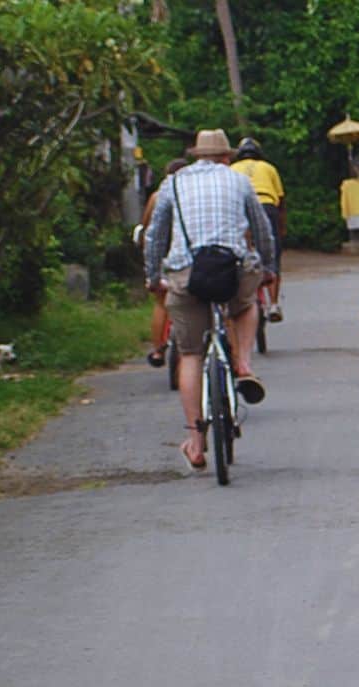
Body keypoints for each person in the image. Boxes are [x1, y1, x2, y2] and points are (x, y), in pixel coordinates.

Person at [144, 129, 276, 471]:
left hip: (186, 272)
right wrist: (269, 267)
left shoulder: (172, 184)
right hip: (232, 268)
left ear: (195, 155)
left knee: (190, 354)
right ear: (226, 157)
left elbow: (155, 235)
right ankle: (244, 364)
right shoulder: (239, 182)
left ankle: (197, 441)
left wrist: (151, 275)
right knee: (246, 305)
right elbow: (262, 229)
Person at [138, 157, 189, 368]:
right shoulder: (191, 195)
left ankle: (158, 350)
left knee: (161, 304)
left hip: (162, 257)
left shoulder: (157, 197)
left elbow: (147, 229)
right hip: (184, 258)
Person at [231, 137, 286, 322]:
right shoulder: (269, 167)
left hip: (240, 209)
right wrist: (281, 227)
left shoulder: (232, 169)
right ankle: (274, 304)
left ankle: (242, 296)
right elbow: (281, 200)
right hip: (267, 206)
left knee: (240, 253)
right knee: (272, 257)